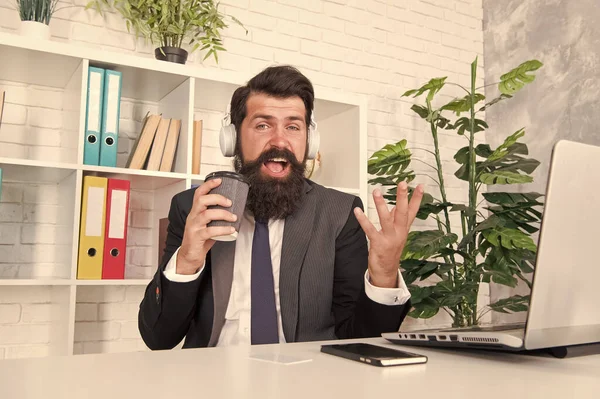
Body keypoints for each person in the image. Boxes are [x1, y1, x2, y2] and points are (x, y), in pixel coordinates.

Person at [138, 65, 424, 349]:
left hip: (305, 379)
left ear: (309, 142)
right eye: (263, 125)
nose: (279, 140)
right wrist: (188, 260)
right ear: (233, 138)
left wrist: (384, 275)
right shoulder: (194, 208)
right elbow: (158, 339)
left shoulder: (340, 213)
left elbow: (360, 338)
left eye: (293, 126)